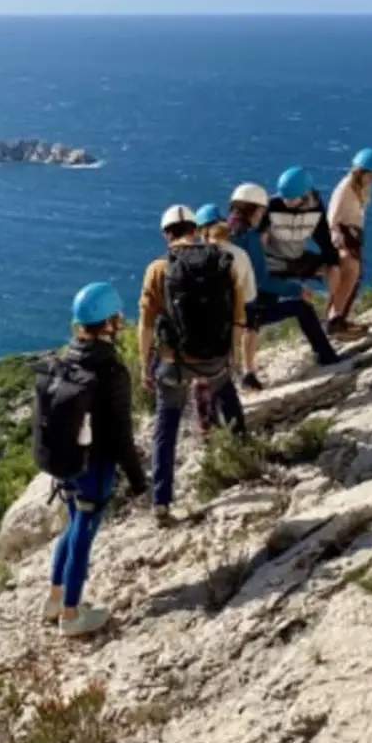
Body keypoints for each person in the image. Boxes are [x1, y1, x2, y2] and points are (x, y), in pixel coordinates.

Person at [37, 281, 148, 637]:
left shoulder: (66, 359)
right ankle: (71, 615)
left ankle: (55, 599)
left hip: (67, 462)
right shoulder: (111, 372)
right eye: (117, 317)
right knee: (83, 533)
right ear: (109, 323)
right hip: (95, 465)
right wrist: (139, 482)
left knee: (72, 526)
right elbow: (122, 436)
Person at [138, 204, 247, 527]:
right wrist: (232, 356)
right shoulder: (221, 261)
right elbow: (237, 316)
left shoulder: (158, 269)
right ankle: (246, 459)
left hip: (174, 363)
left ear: (165, 234)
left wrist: (144, 366)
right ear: (196, 230)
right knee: (228, 398)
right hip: (215, 359)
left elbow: (145, 325)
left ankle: (161, 503)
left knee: (166, 428)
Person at [228, 183, 344, 391]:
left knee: (253, 319)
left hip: (223, 310)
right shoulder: (249, 237)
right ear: (255, 209)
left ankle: (247, 373)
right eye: (261, 210)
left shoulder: (222, 233)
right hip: (244, 309)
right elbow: (261, 281)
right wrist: (296, 289)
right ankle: (327, 357)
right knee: (301, 307)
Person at [191, 202, 256, 434]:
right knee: (224, 379)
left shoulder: (192, 258)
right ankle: (236, 434)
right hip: (229, 326)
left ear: (200, 230)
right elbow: (249, 296)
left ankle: (207, 430)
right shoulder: (240, 255)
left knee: (201, 381)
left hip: (199, 329)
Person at [260, 165, 342, 309]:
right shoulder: (271, 206)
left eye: (291, 199)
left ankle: (333, 311)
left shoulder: (316, 210)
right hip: (272, 262)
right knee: (265, 305)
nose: (286, 201)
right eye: (284, 197)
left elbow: (324, 241)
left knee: (339, 264)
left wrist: (333, 264)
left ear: (305, 195)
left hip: (297, 259)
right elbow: (260, 241)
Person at [325, 147, 372, 340]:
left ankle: (339, 319)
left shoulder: (361, 188)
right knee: (350, 273)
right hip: (344, 235)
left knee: (353, 278)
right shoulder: (345, 188)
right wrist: (339, 242)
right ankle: (335, 321)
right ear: (364, 173)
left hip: (353, 235)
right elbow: (332, 218)